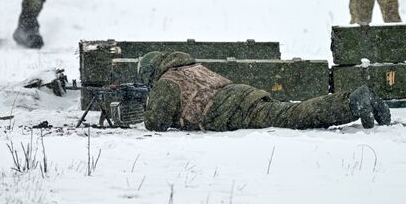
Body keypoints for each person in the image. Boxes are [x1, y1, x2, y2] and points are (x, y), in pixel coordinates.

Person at [138, 51, 391, 132]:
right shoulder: (191, 67)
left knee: (294, 117)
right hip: (242, 95)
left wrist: (143, 106)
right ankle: (354, 100)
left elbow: (156, 123)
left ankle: (351, 102)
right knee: (291, 112)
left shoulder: (167, 81)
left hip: (231, 111)